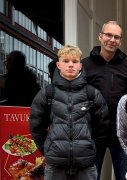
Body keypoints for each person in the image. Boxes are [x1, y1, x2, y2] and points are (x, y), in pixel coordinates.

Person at [29, 45, 109, 180]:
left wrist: (92, 149)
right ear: (58, 65)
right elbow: (36, 125)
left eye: (75, 61)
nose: (70, 65)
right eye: (66, 61)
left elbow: (103, 125)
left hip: (85, 166)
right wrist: (48, 150)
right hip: (55, 166)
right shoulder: (47, 93)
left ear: (80, 65)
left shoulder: (92, 93)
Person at [82, 20, 127, 180]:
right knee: (91, 175)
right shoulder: (84, 65)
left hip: (121, 131)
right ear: (100, 36)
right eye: (109, 35)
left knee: (125, 176)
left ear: (120, 41)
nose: (112, 40)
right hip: (93, 131)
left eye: (116, 37)